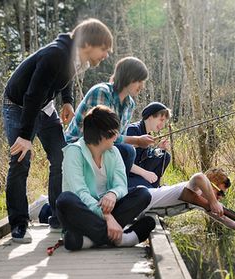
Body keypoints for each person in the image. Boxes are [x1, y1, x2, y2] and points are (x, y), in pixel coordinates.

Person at [2, 18, 113, 243]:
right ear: (89, 44)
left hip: (43, 104)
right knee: (20, 159)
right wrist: (25, 135)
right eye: (104, 49)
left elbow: (66, 78)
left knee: (61, 158)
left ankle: (57, 216)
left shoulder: (76, 56)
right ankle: (19, 224)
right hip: (19, 104)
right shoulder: (56, 55)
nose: (106, 55)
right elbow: (31, 94)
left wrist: (67, 101)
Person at [56, 105, 155, 250]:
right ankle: (121, 239)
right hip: (85, 214)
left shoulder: (113, 152)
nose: (117, 137)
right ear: (101, 135)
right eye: (113, 133)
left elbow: (121, 185)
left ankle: (88, 240)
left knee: (143, 193)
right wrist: (107, 217)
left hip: (105, 213)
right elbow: (80, 193)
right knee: (65, 200)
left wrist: (113, 194)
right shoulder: (74, 152)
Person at [64, 56, 155, 175]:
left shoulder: (130, 104)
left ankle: (114, 188)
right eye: (139, 81)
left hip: (101, 148)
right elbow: (101, 134)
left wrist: (140, 143)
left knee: (127, 151)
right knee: (127, 151)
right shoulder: (102, 92)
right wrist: (137, 140)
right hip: (79, 145)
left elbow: (118, 138)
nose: (142, 86)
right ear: (128, 77)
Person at [144, 168, 235, 236]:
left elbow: (222, 217)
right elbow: (199, 176)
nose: (220, 197)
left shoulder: (200, 200)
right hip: (138, 199)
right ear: (210, 184)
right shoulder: (195, 189)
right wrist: (213, 202)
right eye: (220, 193)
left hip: (140, 210)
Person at [126, 102, 172, 188]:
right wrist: (145, 173)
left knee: (164, 155)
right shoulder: (133, 130)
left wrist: (159, 148)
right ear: (150, 117)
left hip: (139, 173)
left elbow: (145, 157)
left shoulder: (149, 134)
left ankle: (155, 185)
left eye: (165, 121)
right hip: (128, 175)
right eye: (161, 120)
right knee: (147, 188)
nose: (163, 125)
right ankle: (150, 187)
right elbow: (123, 160)